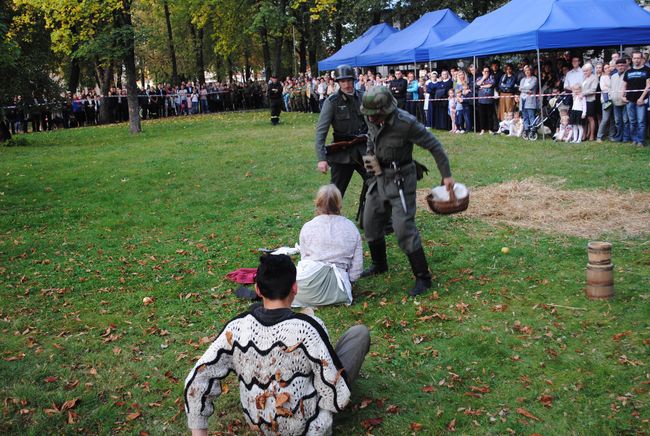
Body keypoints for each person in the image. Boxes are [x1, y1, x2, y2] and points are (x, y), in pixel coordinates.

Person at [183, 254, 370, 435]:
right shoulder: (309, 328)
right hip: (308, 428)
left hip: (260, 427)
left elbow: (196, 380)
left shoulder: (237, 328)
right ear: (295, 288)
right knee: (358, 335)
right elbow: (334, 389)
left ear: (257, 290)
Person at [358, 86, 455, 297]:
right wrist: (370, 159)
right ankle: (379, 264)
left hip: (401, 179)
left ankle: (423, 277)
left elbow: (435, 146)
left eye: (375, 115)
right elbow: (370, 139)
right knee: (370, 221)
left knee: (403, 228)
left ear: (385, 110)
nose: (371, 119)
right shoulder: (371, 117)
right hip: (378, 177)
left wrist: (446, 175)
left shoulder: (406, 123)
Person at [294, 185, 363, 307]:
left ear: (317, 203)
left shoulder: (308, 227)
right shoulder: (351, 228)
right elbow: (357, 269)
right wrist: (349, 281)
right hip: (339, 290)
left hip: (306, 289)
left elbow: (304, 259)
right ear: (339, 204)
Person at [314, 65, 368, 198]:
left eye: (349, 80)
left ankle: (375, 217)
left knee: (379, 182)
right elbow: (321, 131)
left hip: (365, 150)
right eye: (343, 81)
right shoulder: (332, 102)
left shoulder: (364, 97)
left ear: (354, 80)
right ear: (338, 83)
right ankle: (328, 218)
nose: (347, 84)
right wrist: (321, 159)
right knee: (335, 193)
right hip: (342, 152)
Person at [622, 51, 650, 146]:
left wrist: (641, 98)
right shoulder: (628, 72)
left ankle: (641, 141)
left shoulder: (647, 70)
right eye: (635, 58)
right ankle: (634, 139)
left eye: (638, 58)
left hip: (641, 101)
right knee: (632, 121)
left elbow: (648, 86)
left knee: (641, 122)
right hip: (630, 100)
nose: (636, 60)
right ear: (632, 59)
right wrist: (622, 96)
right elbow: (624, 85)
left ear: (642, 59)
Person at [611, 58, 630, 142]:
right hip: (615, 102)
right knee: (617, 121)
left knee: (626, 120)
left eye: (622, 65)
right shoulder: (613, 76)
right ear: (616, 66)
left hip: (625, 102)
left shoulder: (628, 74)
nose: (620, 67)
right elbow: (611, 88)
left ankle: (626, 137)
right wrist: (611, 96)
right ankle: (619, 137)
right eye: (618, 66)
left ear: (625, 65)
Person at [597, 63, 615, 142]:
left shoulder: (613, 76)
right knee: (605, 118)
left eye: (608, 67)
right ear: (604, 70)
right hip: (606, 100)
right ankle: (599, 136)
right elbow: (603, 88)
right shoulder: (603, 77)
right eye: (606, 68)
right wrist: (611, 90)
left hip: (614, 99)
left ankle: (612, 135)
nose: (608, 69)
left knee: (612, 119)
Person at [519, 65, 539, 138]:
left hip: (530, 100)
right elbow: (520, 89)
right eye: (526, 70)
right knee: (525, 116)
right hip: (523, 99)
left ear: (531, 71)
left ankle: (533, 130)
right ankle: (526, 129)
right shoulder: (522, 80)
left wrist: (523, 89)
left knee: (531, 115)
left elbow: (531, 87)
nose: (527, 72)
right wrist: (527, 90)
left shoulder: (534, 79)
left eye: (528, 70)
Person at [476, 66, 496, 134]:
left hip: (489, 100)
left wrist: (482, 86)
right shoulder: (479, 78)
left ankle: (490, 129)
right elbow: (477, 84)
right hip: (481, 100)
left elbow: (490, 85)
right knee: (482, 115)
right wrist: (483, 78)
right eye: (485, 71)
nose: (486, 72)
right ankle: (482, 129)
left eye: (487, 71)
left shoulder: (491, 77)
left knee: (490, 115)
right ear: (482, 72)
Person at [582, 63, 598, 141]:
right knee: (583, 118)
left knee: (590, 118)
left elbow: (593, 90)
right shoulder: (584, 78)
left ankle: (592, 135)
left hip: (590, 100)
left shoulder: (594, 78)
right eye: (584, 71)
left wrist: (583, 93)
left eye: (587, 71)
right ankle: (584, 135)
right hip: (583, 101)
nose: (585, 72)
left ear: (591, 70)